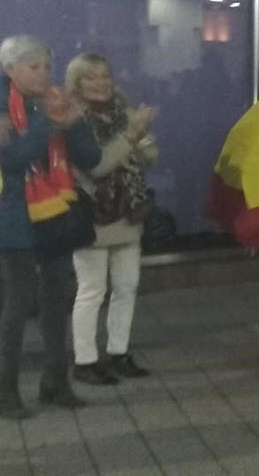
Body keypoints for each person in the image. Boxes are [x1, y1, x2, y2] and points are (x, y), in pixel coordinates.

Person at [0, 36, 103, 416]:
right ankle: (6, 391)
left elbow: (90, 158)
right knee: (17, 305)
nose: (44, 73)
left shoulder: (55, 101)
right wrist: (50, 123)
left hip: (56, 214)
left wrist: (74, 124)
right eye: (33, 66)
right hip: (12, 220)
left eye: (46, 65)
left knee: (58, 298)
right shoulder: (2, 105)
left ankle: (55, 382)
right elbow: (12, 160)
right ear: (10, 70)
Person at [65, 53, 158, 386]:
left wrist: (139, 133)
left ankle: (119, 352)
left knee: (127, 286)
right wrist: (131, 137)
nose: (101, 83)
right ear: (76, 83)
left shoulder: (123, 111)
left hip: (127, 212)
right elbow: (99, 165)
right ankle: (85, 360)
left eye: (105, 75)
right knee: (92, 290)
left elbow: (150, 155)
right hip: (91, 214)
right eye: (91, 77)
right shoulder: (72, 119)